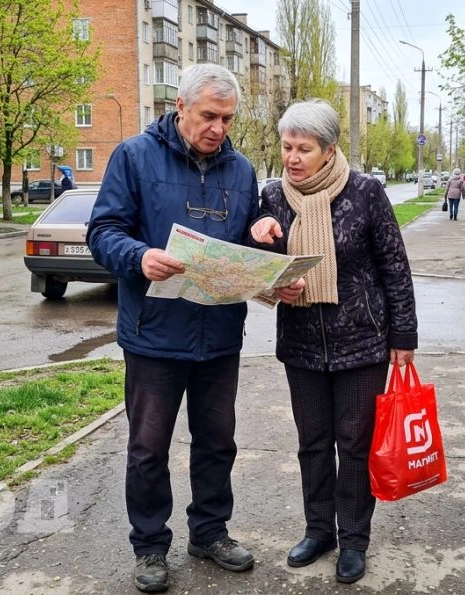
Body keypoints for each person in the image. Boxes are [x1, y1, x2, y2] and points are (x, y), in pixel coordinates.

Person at [87, 64, 260, 594]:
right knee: (148, 447)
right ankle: (150, 547)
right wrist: (139, 257)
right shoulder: (135, 157)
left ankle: (209, 533)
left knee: (217, 443)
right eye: (209, 115)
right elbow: (102, 232)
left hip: (219, 332)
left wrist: (263, 251)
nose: (218, 128)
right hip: (154, 334)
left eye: (228, 118)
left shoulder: (242, 170)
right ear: (180, 106)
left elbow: (247, 244)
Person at [249, 99, 418, 585]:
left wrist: (403, 335)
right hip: (301, 342)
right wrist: (260, 239)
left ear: (329, 150)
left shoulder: (365, 192)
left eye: (304, 148)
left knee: (356, 442)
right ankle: (318, 530)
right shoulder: (274, 198)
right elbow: (261, 273)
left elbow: (394, 267)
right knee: (313, 443)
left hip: (363, 342)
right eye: (287, 147)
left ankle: (354, 539)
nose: (293, 157)